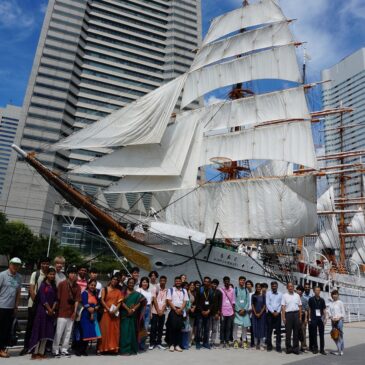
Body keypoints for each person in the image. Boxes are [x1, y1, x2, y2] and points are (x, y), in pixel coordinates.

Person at [21, 257, 50, 355]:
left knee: (41, 326)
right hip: (34, 304)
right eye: (43, 263)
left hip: (44, 306)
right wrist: (37, 303)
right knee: (30, 326)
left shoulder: (50, 274)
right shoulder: (36, 274)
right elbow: (32, 290)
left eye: (47, 263)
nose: (45, 265)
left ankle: (36, 347)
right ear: (40, 264)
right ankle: (26, 346)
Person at [52, 265, 81, 357]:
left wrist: (74, 312)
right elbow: (58, 299)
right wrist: (55, 310)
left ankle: (64, 348)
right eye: (71, 273)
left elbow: (77, 300)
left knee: (68, 332)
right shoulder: (62, 284)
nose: (73, 275)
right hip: (61, 311)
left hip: (71, 312)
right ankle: (55, 349)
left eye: (74, 273)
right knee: (59, 331)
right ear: (68, 274)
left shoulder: (77, 287)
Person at [29, 267, 58, 359]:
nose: (52, 276)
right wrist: (49, 309)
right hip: (41, 311)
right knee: (39, 330)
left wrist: (52, 309)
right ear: (47, 275)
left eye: (53, 274)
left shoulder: (54, 286)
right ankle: (35, 353)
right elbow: (42, 298)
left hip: (50, 313)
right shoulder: (43, 285)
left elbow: (56, 299)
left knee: (46, 331)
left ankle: (41, 352)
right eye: (50, 274)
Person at [0, 257, 22, 358]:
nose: (15, 267)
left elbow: (18, 293)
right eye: (14, 264)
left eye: (17, 265)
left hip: (10, 308)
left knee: (6, 329)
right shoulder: (2, 275)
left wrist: (16, 307)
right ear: (10, 264)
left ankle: (2, 348)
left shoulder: (19, 277)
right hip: (1, 306)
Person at [75, 279, 101, 356]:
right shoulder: (84, 293)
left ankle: (84, 350)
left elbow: (97, 304)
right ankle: (79, 350)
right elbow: (85, 303)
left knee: (88, 333)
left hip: (92, 315)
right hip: (85, 315)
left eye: (94, 285)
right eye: (91, 285)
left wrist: (96, 307)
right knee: (83, 332)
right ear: (88, 285)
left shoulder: (94, 294)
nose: (93, 286)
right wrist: (92, 310)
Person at [120, 277, 146, 355]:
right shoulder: (123, 293)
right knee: (124, 333)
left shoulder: (137, 294)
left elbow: (141, 302)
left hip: (133, 316)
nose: (131, 284)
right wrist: (128, 309)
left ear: (134, 284)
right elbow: (120, 302)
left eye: (132, 283)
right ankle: (124, 350)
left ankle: (132, 349)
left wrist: (133, 309)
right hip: (124, 315)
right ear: (127, 283)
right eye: (130, 282)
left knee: (132, 332)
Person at [98, 274, 123, 354]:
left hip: (115, 314)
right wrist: (108, 309)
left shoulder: (118, 291)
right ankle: (103, 348)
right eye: (113, 279)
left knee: (114, 331)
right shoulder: (104, 289)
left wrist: (116, 309)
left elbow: (120, 302)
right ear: (111, 280)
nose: (115, 281)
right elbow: (102, 300)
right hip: (106, 313)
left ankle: (113, 348)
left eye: (116, 280)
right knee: (105, 331)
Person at [166, 276, 188, 352]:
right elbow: (169, 300)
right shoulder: (171, 290)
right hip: (173, 310)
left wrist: (181, 309)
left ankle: (177, 345)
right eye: (176, 281)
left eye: (179, 281)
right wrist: (175, 309)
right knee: (172, 327)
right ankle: (171, 344)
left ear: (181, 282)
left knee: (179, 328)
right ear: (175, 282)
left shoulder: (184, 290)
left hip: (181, 310)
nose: (178, 282)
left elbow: (185, 301)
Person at [281, 282, 302, 355]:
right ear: (287, 287)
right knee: (288, 333)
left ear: (294, 287)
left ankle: (296, 348)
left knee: (296, 332)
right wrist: (283, 317)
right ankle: (289, 348)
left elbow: (300, 307)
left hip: (296, 314)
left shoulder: (297, 296)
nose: (290, 288)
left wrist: (300, 317)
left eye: (292, 286)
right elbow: (283, 307)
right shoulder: (284, 296)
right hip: (288, 314)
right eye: (289, 286)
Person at [195, 276, 213, 349]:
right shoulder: (199, 290)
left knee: (207, 328)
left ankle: (206, 343)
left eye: (208, 281)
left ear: (209, 283)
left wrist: (208, 310)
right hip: (200, 312)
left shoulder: (211, 291)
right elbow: (197, 302)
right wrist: (202, 310)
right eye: (205, 281)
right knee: (199, 328)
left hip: (208, 313)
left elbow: (212, 303)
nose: (206, 283)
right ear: (203, 282)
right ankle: (198, 343)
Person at [149, 275, 167, 350]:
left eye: (164, 280)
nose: (162, 282)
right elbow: (154, 300)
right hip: (154, 311)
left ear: (166, 281)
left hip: (163, 312)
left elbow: (166, 301)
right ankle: (152, 343)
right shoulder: (155, 288)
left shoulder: (167, 290)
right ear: (159, 281)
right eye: (161, 280)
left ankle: (159, 342)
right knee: (153, 328)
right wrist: (158, 310)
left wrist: (162, 310)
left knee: (160, 328)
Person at [233, 276, 251, 349]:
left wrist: (244, 309)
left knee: (244, 327)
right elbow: (234, 300)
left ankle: (244, 341)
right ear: (238, 281)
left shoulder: (246, 290)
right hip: (237, 312)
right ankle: (235, 341)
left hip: (245, 312)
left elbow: (248, 301)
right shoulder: (235, 289)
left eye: (243, 280)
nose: (242, 282)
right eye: (241, 280)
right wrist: (239, 309)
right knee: (235, 327)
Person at [308, 286, 327, 355]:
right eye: (316, 290)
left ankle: (322, 349)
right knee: (314, 334)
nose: (318, 292)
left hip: (320, 318)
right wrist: (309, 318)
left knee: (322, 334)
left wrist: (325, 318)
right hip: (313, 318)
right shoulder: (311, 299)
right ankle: (315, 348)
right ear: (314, 291)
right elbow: (309, 309)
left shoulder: (322, 300)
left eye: (319, 290)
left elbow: (324, 309)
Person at [327, 290, 345, 356]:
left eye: (336, 294)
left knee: (340, 335)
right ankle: (339, 349)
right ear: (332, 295)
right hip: (333, 321)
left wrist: (339, 318)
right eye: (333, 294)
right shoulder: (331, 303)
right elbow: (329, 312)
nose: (334, 295)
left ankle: (340, 350)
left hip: (339, 320)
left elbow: (343, 313)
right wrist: (331, 317)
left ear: (338, 295)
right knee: (334, 335)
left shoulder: (340, 302)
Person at [266, 281, 282, 353]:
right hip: (270, 313)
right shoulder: (268, 293)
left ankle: (278, 346)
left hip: (278, 314)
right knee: (269, 330)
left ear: (277, 286)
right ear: (271, 286)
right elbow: (267, 303)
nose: (274, 287)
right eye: (273, 286)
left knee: (278, 331)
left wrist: (277, 312)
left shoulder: (280, 294)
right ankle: (269, 346)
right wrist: (272, 312)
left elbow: (281, 304)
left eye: (275, 286)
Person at [136, 277, 152, 350]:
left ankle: (142, 344)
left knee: (145, 328)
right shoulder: (138, 290)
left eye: (146, 282)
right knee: (140, 327)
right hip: (141, 309)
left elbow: (150, 303)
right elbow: (136, 301)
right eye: (143, 282)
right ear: (141, 283)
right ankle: (137, 344)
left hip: (148, 309)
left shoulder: (149, 292)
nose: (145, 283)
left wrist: (151, 312)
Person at [220, 276, 235, 348]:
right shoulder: (221, 290)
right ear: (223, 282)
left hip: (230, 311)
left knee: (228, 327)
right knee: (222, 327)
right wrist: (219, 311)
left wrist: (234, 311)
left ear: (229, 281)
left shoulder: (232, 290)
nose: (227, 282)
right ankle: (222, 341)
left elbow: (233, 301)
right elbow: (219, 301)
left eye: (228, 281)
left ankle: (227, 341)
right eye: (225, 281)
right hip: (223, 311)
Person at [251, 283, 266, 350]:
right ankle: (256, 344)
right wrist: (255, 313)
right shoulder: (253, 295)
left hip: (262, 314)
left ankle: (261, 344)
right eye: (257, 287)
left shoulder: (263, 295)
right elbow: (252, 305)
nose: (258, 288)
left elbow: (264, 305)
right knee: (255, 328)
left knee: (261, 328)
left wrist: (260, 313)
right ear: (255, 288)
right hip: (254, 314)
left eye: (259, 287)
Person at [210, 279, 222, 348]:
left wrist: (218, 313)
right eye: (213, 284)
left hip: (215, 314)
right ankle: (207, 341)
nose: (214, 285)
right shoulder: (208, 291)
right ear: (211, 284)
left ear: (217, 285)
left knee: (214, 329)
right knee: (208, 328)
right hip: (208, 313)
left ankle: (212, 341)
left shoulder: (219, 292)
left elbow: (220, 304)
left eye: (215, 284)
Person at [296, 285, 309, 352]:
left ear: (302, 292)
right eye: (298, 290)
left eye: (301, 290)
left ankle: (303, 346)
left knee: (303, 332)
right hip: (295, 317)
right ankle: (296, 346)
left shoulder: (304, 299)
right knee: (296, 332)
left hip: (303, 317)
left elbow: (307, 310)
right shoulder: (294, 298)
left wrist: (306, 319)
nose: (299, 291)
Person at [245, 280, 255, 348]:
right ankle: (244, 341)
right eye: (247, 284)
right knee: (244, 328)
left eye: (249, 284)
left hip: (252, 313)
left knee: (252, 329)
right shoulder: (245, 293)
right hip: (245, 313)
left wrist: (251, 309)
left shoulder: (254, 294)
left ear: (252, 285)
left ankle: (252, 342)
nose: (248, 285)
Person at [303, 282, 312, 350]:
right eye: (306, 287)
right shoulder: (301, 296)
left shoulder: (312, 296)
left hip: (311, 314)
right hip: (303, 314)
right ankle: (304, 345)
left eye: (308, 288)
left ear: (310, 288)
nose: (307, 289)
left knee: (311, 330)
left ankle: (311, 346)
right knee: (303, 330)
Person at [187, 281, 196, 346]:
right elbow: (185, 302)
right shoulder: (187, 293)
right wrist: (190, 308)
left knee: (192, 326)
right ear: (189, 286)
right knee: (188, 327)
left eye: (193, 285)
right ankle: (188, 340)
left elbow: (197, 302)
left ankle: (191, 340)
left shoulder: (195, 293)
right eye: (191, 285)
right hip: (187, 312)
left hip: (193, 312)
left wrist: (194, 307)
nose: (192, 286)